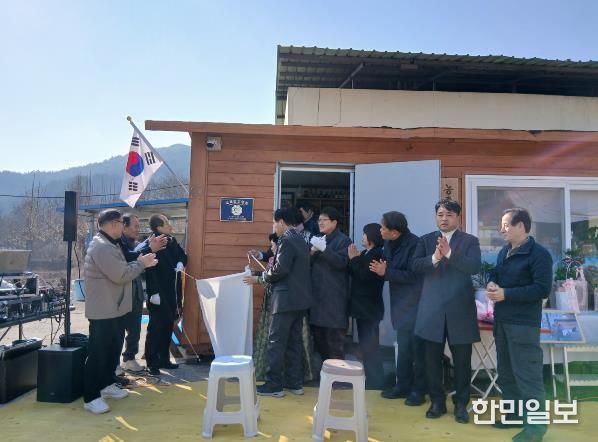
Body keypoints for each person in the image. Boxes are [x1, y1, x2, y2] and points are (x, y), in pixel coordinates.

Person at [412, 199, 481, 424]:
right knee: (431, 360)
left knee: (462, 361)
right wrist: (434, 258)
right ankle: (437, 402)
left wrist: (450, 254)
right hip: (431, 310)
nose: (444, 218)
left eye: (449, 215)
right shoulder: (425, 240)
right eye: (440, 214)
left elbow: (474, 266)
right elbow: (414, 266)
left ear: (458, 218)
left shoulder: (470, 241)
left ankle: (461, 404)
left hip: (460, 310)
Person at [83, 209, 157, 414]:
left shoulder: (110, 244)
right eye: (121, 223)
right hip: (103, 310)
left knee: (112, 350)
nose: (123, 227)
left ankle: (106, 385)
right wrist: (142, 263)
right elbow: (121, 275)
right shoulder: (102, 246)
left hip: (114, 309)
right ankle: (91, 397)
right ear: (112, 224)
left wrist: (140, 262)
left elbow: (122, 268)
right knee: (98, 354)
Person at [487, 208, 552, 442]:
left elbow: (542, 289)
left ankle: (536, 429)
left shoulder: (539, 254)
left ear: (521, 226)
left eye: (506, 225)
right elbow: (495, 273)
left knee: (528, 376)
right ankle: (513, 415)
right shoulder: (504, 251)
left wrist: (506, 294)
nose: (501, 229)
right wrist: (492, 283)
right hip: (502, 322)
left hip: (523, 325)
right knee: (506, 374)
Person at [371, 212, 426, 405]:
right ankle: (402, 386)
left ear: (394, 232)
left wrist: (387, 272)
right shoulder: (388, 243)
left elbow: (416, 276)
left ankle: (418, 391)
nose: (380, 230)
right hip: (400, 304)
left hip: (416, 304)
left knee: (417, 350)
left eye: (383, 227)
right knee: (403, 348)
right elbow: (386, 266)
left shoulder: (416, 244)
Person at [256, 208, 312, 397]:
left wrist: (264, 276)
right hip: (300, 300)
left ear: (281, 222)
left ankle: (274, 385)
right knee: (294, 343)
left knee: (276, 342)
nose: (274, 227)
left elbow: (280, 269)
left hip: (284, 300)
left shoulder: (286, 240)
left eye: (274, 223)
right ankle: (294, 383)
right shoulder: (301, 239)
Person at [119, 214, 167, 373]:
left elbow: (139, 258)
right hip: (121, 294)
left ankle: (129, 358)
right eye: (135, 226)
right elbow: (129, 257)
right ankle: (114, 363)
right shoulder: (118, 243)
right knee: (118, 330)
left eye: (139, 226)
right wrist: (149, 247)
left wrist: (148, 247)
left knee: (134, 328)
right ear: (124, 227)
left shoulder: (135, 243)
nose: (138, 230)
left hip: (136, 292)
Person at [144, 214, 188, 376]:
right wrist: (154, 292)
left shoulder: (172, 240)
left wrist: (181, 262)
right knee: (156, 327)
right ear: (158, 227)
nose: (170, 226)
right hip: (158, 290)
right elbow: (149, 269)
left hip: (172, 290)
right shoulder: (153, 242)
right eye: (167, 224)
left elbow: (183, 255)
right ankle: (152, 362)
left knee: (168, 325)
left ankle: (164, 358)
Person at [309, 206, 352, 362]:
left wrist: (324, 249)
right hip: (317, 299)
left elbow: (341, 263)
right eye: (319, 220)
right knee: (319, 343)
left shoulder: (344, 240)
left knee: (335, 346)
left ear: (334, 222)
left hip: (334, 301)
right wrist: (311, 252)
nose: (320, 223)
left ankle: (337, 375)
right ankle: (323, 373)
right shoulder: (318, 239)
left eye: (324, 220)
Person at [347, 223, 385, 389]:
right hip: (362, 308)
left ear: (372, 237)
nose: (362, 237)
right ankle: (370, 378)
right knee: (365, 344)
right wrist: (354, 259)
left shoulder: (377, 254)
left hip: (370, 308)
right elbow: (354, 272)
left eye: (364, 234)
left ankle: (376, 381)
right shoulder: (365, 253)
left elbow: (364, 276)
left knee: (371, 345)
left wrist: (354, 259)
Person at [244, 233, 278, 381]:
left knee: (274, 338)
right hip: (270, 301)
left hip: (278, 303)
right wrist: (256, 272)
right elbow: (268, 274)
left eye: (273, 245)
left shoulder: (282, 259)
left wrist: (257, 278)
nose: (271, 248)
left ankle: (273, 374)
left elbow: (274, 277)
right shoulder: (273, 257)